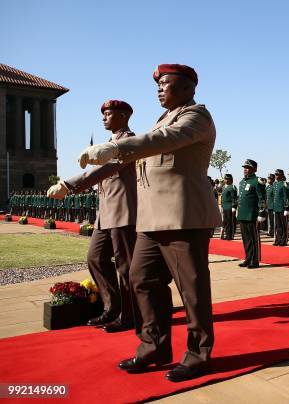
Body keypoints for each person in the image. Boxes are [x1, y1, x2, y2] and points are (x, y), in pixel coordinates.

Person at [78, 64, 222, 382]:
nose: (159, 89)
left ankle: (198, 354)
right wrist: (75, 180)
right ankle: (154, 345)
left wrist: (115, 145)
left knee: (192, 289)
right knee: (140, 278)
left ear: (187, 88)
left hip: (183, 218)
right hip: (151, 219)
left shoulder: (196, 116)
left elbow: (162, 141)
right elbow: (126, 158)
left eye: (166, 83)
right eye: (157, 85)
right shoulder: (161, 122)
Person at [48, 100, 138, 333]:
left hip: (123, 211)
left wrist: (68, 184)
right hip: (105, 214)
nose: (103, 118)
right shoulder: (108, 143)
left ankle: (130, 314)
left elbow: (105, 169)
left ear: (124, 115)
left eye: (108, 114)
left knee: (126, 267)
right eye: (104, 114)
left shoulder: (128, 141)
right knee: (95, 258)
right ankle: (112, 307)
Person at [237, 159, 266, 268]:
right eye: (244, 167)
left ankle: (255, 261)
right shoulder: (242, 182)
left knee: (254, 239)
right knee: (246, 239)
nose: (245, 169)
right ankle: (248, 258)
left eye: (248, 167)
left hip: (252, 214)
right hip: (243, 214)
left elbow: (262, 199)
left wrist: (261, 213)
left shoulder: (257, 181)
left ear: (254, 169)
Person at [272, 169, 289, 246]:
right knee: (278, 225)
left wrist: (286, 208)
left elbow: (286, 197)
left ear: (282, 175)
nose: (276, 176)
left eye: (278, 174)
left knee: (283, 225)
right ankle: (278, 240)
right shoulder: (274, 184)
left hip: (282, 208)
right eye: (275, 174)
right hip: (276, 208)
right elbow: (273, 197)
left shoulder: (284, 184)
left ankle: (284, 240)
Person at [220, 173, 238, 240]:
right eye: (225, 179)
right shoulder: (224, 187)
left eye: (227, 179)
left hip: (230, 207)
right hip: (225, 207)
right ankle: (227, 234)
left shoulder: (232, 187)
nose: (226, 180)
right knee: (225, 222)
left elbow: (234, 198)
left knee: (230, 222)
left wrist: (234, 207)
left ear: (231, 180)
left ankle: (230, 235)